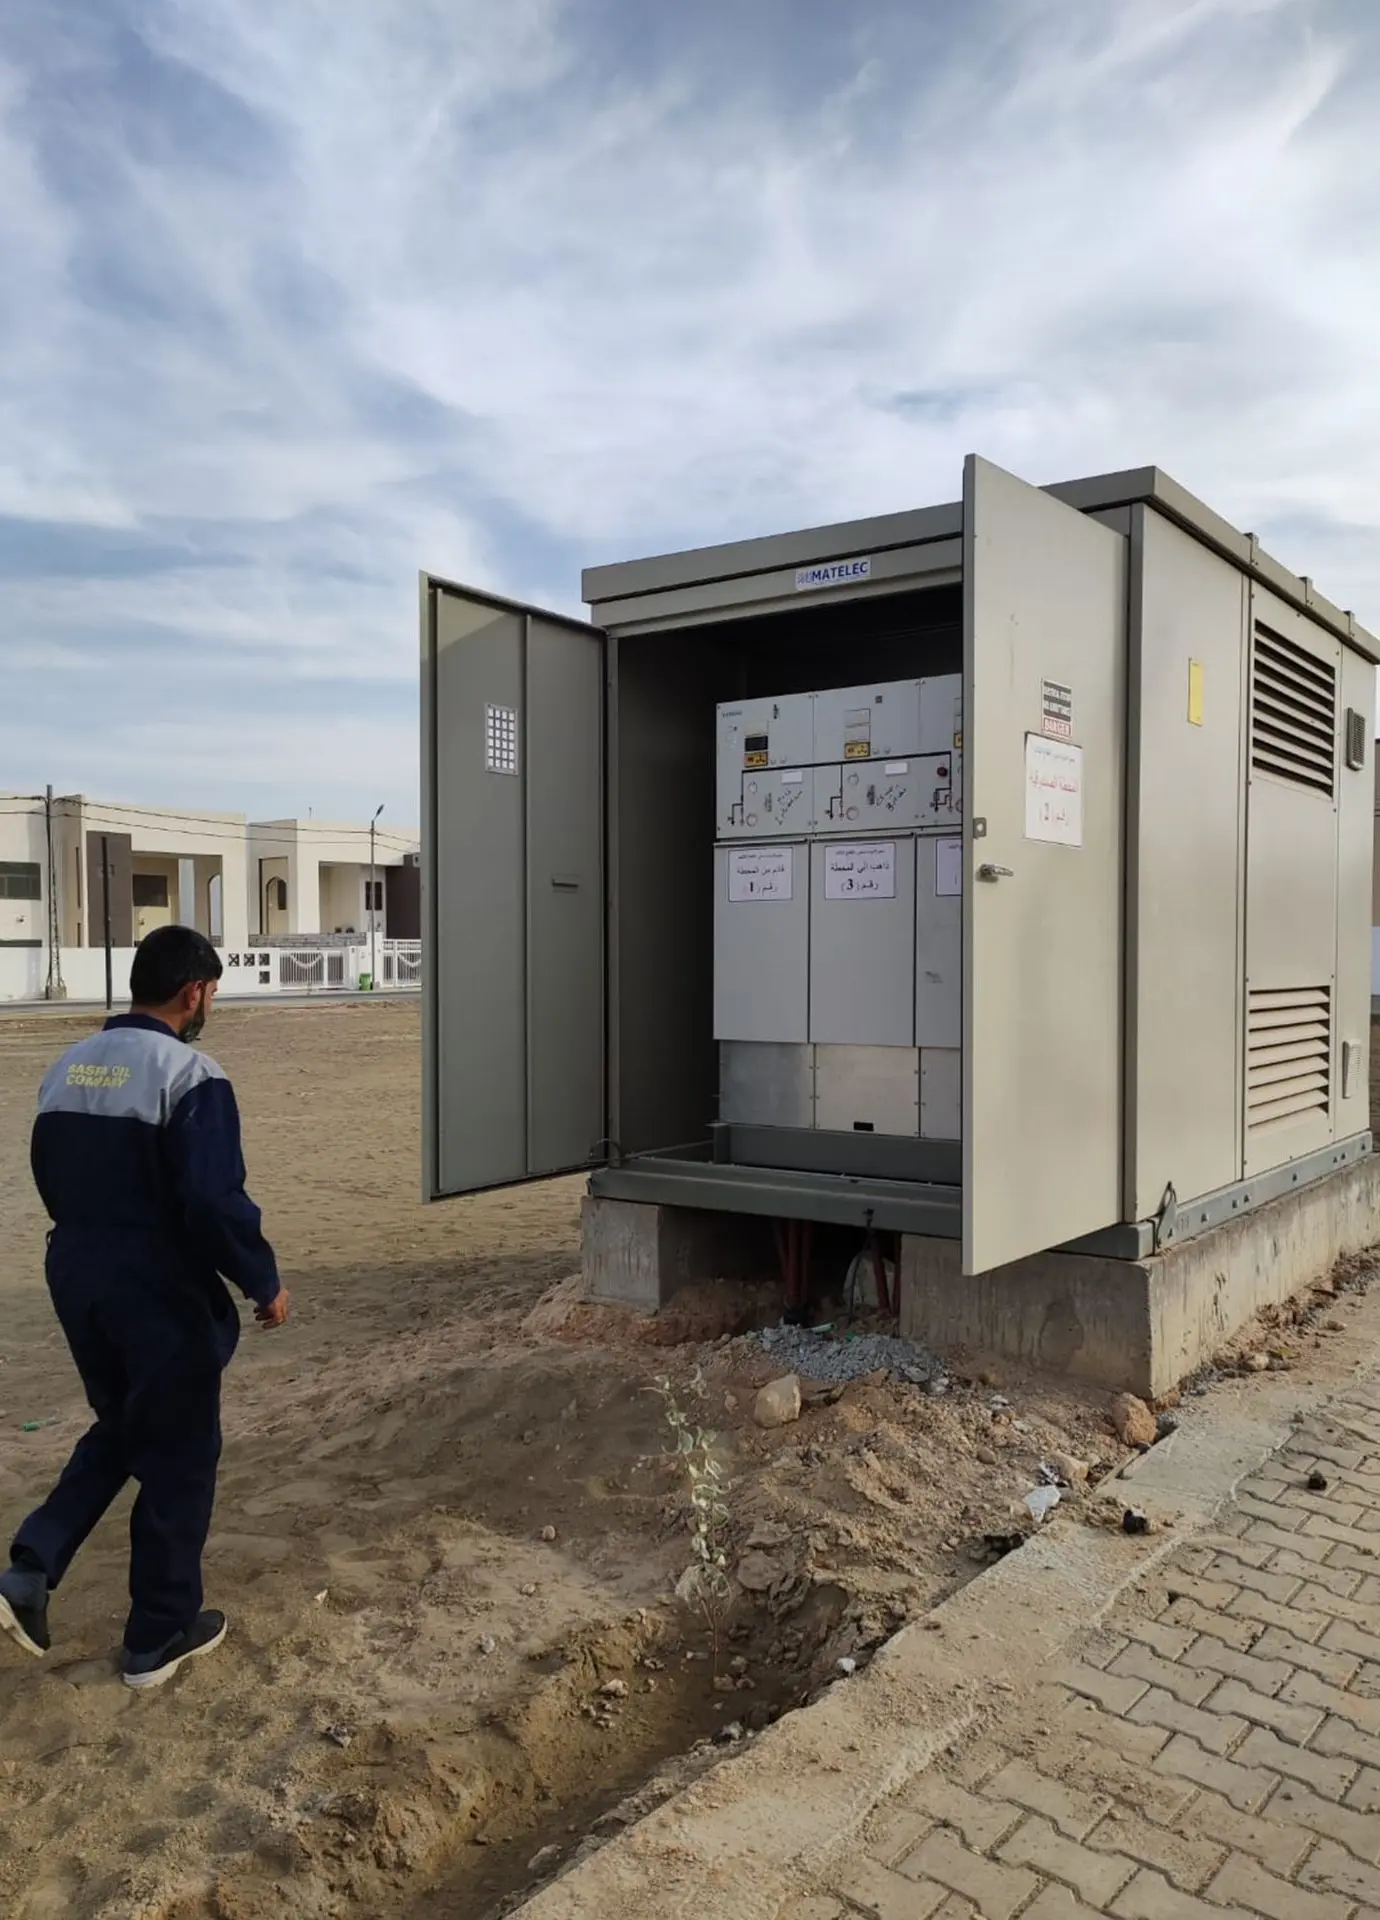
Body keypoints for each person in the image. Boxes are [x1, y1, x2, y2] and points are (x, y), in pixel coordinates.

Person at [0, 926, 289, 1689]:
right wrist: (262, 1280)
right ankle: (158, 1637)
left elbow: (47, 1171)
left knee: (129, 1425)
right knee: (180, 1454)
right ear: (194, 992)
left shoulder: (66, 1067)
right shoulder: (189, 1074)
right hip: (155, 1283)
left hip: (75, 1270)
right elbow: (212, 1198)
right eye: (212, 993)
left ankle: (30, 1568)